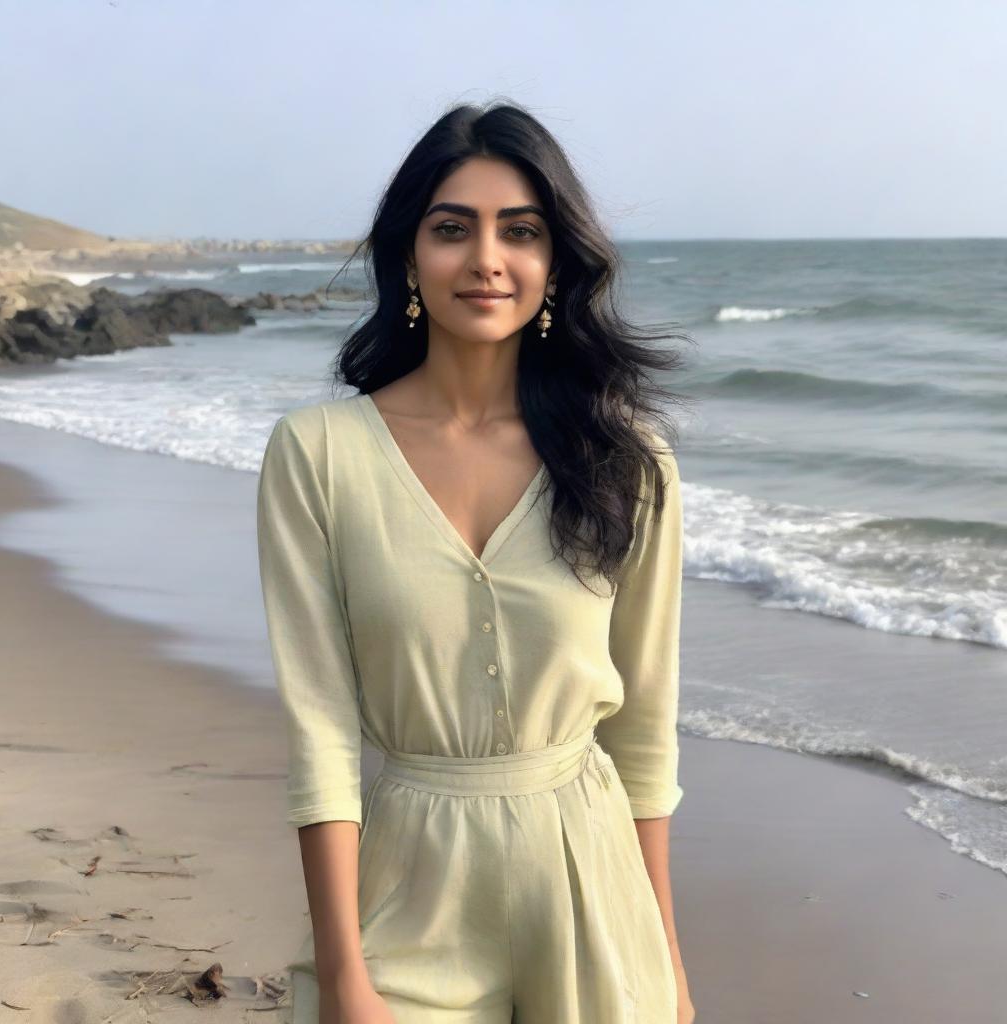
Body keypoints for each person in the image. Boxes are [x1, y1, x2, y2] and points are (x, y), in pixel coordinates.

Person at [256, 98, 697, 1024]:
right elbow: (321, 734)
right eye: (453, 228)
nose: (488, 258)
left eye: (521, 231)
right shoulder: (320, 454)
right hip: (411, 893)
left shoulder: (628, 462)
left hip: (592, 888)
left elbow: (645, 736)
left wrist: (664, 967)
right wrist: (344, 979)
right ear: (410, 256)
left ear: (555, 259)